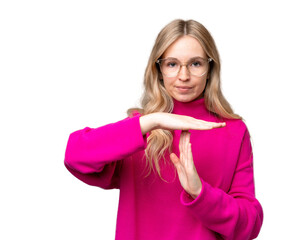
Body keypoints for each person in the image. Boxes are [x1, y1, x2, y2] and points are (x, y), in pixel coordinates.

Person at [64, 19, 263, 240]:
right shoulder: (138, 130)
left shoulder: (233, 130)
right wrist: (153, 120)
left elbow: (249, 225)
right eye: (172, 64)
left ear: (210, 68)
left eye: (196, 63)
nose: (184, 76)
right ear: (158, 69)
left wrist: (200, 193)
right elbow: (74, 155)